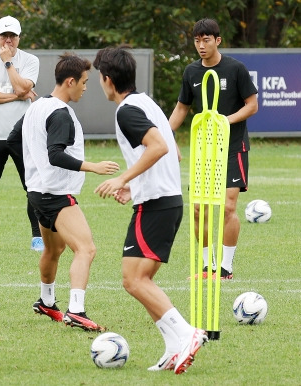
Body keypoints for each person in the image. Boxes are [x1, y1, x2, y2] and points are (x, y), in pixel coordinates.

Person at [93, 45, 207, 374]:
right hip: (163, 201)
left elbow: (157, 147)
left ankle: (187, 334)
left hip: (157, 206)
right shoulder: (146, 104)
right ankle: (174, 346)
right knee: (142, 282)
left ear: (108, 80)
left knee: (133, 280)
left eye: (100, 78)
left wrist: (122, 179)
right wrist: (134, 186)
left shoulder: (127, 110)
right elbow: (172, 151)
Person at [21, 53, 120, 332]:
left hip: (37, 192)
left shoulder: (38, 105)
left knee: (54, 249)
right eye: (84, 82)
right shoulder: (59, 113)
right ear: (70, 81)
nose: (86, 88)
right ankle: (76, 310)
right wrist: (93, 167)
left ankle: (46, 301)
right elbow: (55, 154)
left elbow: (20, 136)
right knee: (86, 249)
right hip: (55, 193)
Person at [169, 18, 258, 280]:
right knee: (199, 209)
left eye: (206, 40)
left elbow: (252, 105)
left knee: (228, 207)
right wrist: (165, 135)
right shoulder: (191, 72)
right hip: (204, 151)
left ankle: (226, 268)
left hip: (233, 147)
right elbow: (181, 108)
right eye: (197, 40)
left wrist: (225, 122)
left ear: (218, 41)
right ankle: (209, 267)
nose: (201, 45)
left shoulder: (236, 69)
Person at [0, 15, 43, 252]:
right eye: (4, 35)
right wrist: (17, 95)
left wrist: (8, 64)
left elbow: (25, 86)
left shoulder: (30, 60)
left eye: (12, 36)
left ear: (19, 37)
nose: (8, 41)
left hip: (24, 134)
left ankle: (37, 237)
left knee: (32, 185)